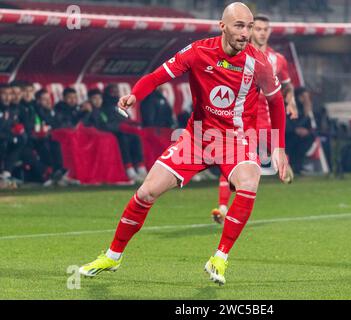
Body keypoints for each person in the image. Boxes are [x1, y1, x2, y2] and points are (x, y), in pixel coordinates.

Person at [79, 2, 288, 285]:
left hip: (237, 141)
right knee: (146, 192)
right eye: (240, 26)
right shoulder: (198, 52)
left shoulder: (259, 63)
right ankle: (112, 257)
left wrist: (278, 148)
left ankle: (220, 258)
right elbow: (157, 76)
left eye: (249, 27)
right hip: (198, 137)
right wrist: (135, 96)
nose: (246, 33)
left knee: (249, 181)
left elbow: (276, 102)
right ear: (222, 26)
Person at [210, 14, 297, 224]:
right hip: (242, 121)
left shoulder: (278, 59)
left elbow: (287, 85)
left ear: (269, 31)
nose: (261, 32)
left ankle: (282, 165)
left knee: (283, 168)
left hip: (267, 123)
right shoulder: (236, 54)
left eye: (265, 29)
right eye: (257, 28)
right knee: (231, 161)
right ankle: (222, 208)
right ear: (250, 30)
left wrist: (291, 101)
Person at [83, 88, 148, 183]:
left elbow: (119, 120)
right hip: (103, 137)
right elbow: (99, 125)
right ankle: (129, 169)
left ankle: (140, 167)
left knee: (135, 137)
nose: (97, 101)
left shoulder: (108, 108)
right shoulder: (90, 111)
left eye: (99, 98)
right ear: (89, 100)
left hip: (113, 133)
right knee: (123, 138)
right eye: (94, 98)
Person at [285, 87, 316, 174]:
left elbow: (308, 126)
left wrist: (306, 130)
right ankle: (293, 165)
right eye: (303, 97)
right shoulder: (289, 107)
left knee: (310, 137)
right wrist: (295, 129)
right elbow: (284, 123)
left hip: (299, 137)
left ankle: (297, 165)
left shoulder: (304, 109)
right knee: (294, 141)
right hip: (287, 136)